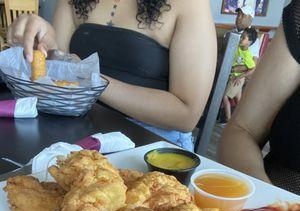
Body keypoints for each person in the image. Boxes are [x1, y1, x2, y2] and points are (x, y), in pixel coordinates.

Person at [6, 0, 217, 152]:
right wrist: (46, 45)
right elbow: (61, 72)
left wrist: (93, 80)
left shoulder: (190, 4)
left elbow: (186, 114)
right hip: (80, 130)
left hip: (152, 145)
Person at [218, 0, 300, 195]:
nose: (238, 18)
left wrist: (240, 75)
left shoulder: (249, 44)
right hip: (264, 206)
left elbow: (251, 67)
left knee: (226, 98)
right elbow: (242, 130)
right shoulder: (236, 37)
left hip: (237, 80)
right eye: (237, 15)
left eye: (241, 15)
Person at [223, 27, 257, 123]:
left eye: (243, 37)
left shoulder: (247, 55)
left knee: (225, 96)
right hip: (234, 76)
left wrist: (239, 77)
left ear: (249, 42)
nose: (240, 39)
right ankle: (243, 120)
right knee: (239, 100)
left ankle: (228, 119)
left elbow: (252, 69)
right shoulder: (237, 46)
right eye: (241, 36)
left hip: (237, 78)